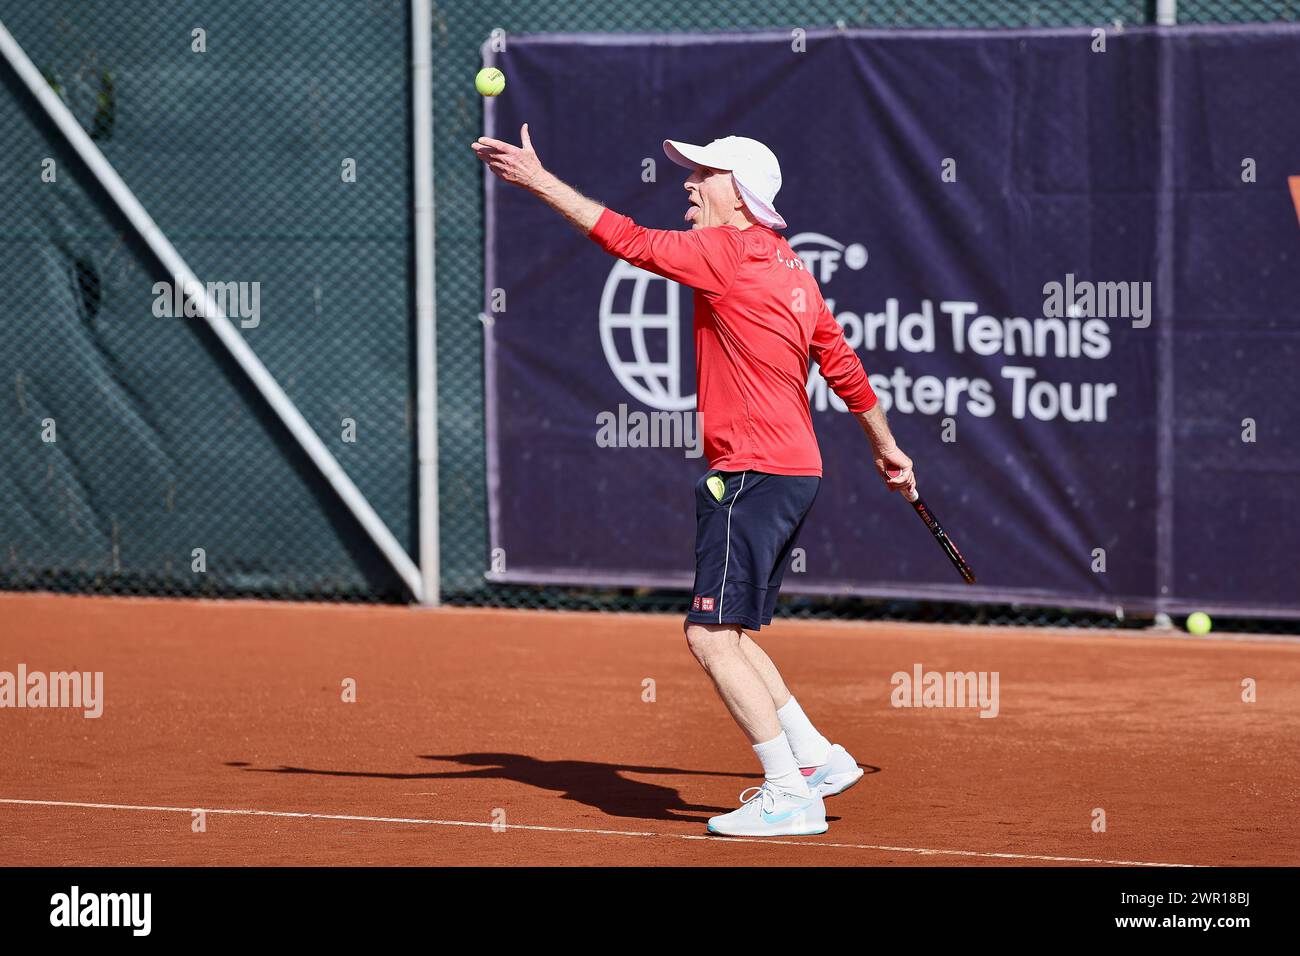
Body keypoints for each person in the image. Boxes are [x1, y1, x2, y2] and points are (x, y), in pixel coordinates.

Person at [473, 126, 917, 837]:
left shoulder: (725, 253)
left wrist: (538, 180)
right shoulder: (793, 269)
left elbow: (625, 239)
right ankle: (818, 760)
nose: (689, 181)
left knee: (708, 636)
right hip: (794, 471)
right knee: (734, 631)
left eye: (704, 173)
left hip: (749, 473)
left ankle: (788, 793)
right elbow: (845, 368)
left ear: (738, 195)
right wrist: (889, 449)